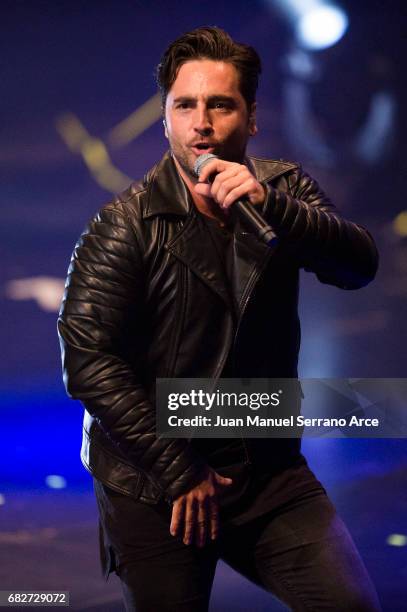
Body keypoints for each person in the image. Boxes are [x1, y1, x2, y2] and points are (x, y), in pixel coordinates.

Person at [58, 26, 382, 611]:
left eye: (220, 105)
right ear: (165, 119)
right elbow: (87, 361)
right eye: (185, 106)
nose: (201, 123)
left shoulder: (282, 189)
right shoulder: (123, 226)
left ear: (251, 117)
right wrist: (179, 469)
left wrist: (272, 205)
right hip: (156, 477)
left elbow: (357, 265)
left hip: (267, 467)